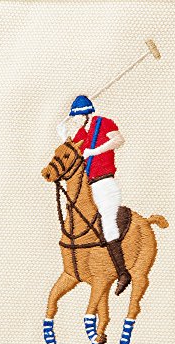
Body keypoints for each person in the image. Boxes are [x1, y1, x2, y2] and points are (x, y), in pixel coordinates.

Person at [57, 95, 131, 295]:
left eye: (77, 117)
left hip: (105, 183)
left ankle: (123, 272)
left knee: (107, 224)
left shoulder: (103, 123)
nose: (75, 121)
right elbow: (74, 155)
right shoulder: (82, 132)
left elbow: (119, 140)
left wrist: (95, 151)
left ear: (85, 114)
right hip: (90, 186)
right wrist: (63, 136)